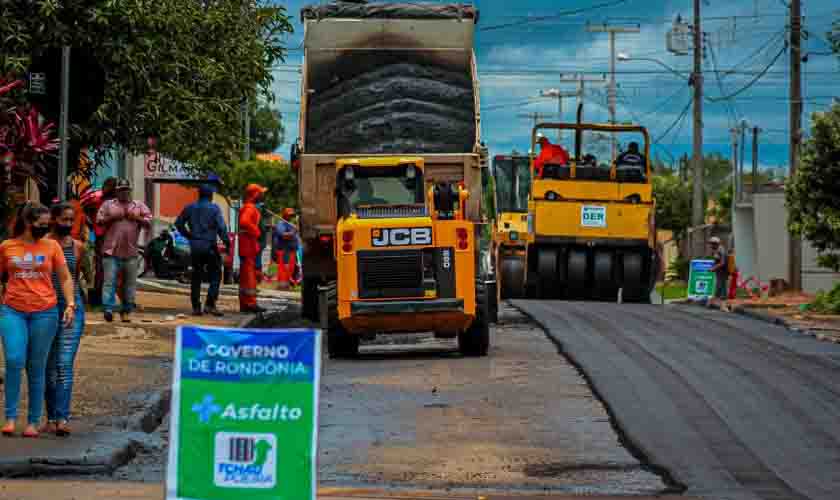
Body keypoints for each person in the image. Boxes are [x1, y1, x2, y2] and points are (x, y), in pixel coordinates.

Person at [0, 202, 74, 438]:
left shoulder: (52, 246)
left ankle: (33, 421)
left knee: (37, 366)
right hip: (12, 310)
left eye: (47, 224)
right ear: (27, 222)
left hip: (45, 311)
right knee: (13, 359)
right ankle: (10, 417)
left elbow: (64, 278)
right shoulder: (7, 246)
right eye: (41, 224)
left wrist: (70, 303)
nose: (45, 228)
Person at [43, 202, 86, 437]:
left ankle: (62, 418)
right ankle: (50, 418)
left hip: (72, 309)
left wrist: (71, 303)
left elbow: (75, 276)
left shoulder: (78, 247)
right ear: (53, 220)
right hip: (45, 309)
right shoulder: (42, 245)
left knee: (64, 365)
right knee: (47, 367)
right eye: (64, 220)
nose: (68, 224)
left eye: (71, 220)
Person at [96, 178, 152, 323]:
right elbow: (99, 220)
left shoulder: (138, 205)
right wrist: (112, 218)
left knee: (130, 285)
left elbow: (149, 222)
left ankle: (126, 311)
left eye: (126, 190)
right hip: (111, 251)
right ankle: (108, 309)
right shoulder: (108, 205)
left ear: (130, 191)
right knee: (109, 282)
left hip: (131, 252)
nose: (124, 193)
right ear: (116, 191)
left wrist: (137, 218)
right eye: (121, 190)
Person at [175, 184, 230, 317]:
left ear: (199, 195)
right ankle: (210, 305)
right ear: (211, 196)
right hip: (209, 245)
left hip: (195, 246)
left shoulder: (190, 207)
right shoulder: (214, 208)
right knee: (216, 274)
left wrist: (189, 235)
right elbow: (221, 227)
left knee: (196, 276)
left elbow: (179, 223)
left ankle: (196, 307)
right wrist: (227, 242)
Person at [238, 184, 267, 313]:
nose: (262, 195)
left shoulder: (247, 207)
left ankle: (245, 303)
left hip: (247, 245)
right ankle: (250, 303)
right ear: (255, 194)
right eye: (260, 193)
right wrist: (256, 231)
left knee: (246, 276)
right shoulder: (250, 208)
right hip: (248, 245)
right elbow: (244, 222)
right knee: (249, 276)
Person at [272, 208, 299, 290]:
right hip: (284, 250)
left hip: (291, 250)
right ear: (285, 215)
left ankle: (290, 284)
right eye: (289, 215)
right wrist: (294, 232)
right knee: (284, 268)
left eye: (292, 215)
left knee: (292, 268)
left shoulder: (290, 224)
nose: (291, 217)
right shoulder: (281, 224)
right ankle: (282, 286)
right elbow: (283, 235)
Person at [708, 236, 729, 302]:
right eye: (710, 243)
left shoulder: (721, 250)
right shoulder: (715, 250)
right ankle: (717, 298)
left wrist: (714, 268)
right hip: (718, 270)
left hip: (723, 270)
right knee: (719, 284)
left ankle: (723, 299)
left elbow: (722, 262)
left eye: (711, 243)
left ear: (716, 243)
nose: (710, 245)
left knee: (722, 284)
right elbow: (716, 260)